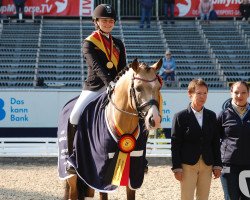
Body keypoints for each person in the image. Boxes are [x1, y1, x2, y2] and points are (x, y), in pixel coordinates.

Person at [69, 4, 127, 126]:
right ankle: (73, 145)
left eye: (111, 21)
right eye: (104, 20)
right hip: (95, 87)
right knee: (74, 117)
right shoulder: (89, 43)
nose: (108, 24)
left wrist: (120, 84)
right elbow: (96, 66)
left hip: (116, 87)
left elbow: (122, 67)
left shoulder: (118, 43)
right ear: (96, 21)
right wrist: (110, 82)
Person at [171, 78, 222, 200]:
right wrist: (176, 167)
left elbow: (215, 142)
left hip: (207, 164)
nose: (202, 96)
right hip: (187, 165)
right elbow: (175, 144)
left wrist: (217, 165)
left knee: (203, 197)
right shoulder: (180, 116)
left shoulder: (211, 115)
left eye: (205, 93)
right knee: (187, 197)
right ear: (190, 94)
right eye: (198, 93)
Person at [217, 81, 250, 200]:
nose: (240, 96)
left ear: (248, 94)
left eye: (243, 92)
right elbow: (216, 140)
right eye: (236, 92)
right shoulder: (223, 115)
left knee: (247, 198)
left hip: (248, 166)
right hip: (228, 166)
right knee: (231, 198)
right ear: (231, 93)